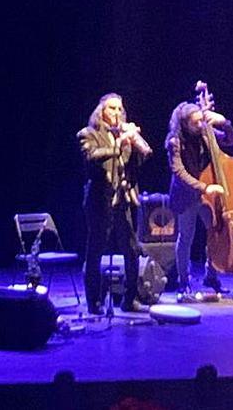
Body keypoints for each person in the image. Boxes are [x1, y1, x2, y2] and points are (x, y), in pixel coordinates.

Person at [77, 93, 152, 313]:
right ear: (101, 112)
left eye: (120, 109)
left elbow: (142, 157)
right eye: (112, 109)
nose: (117, 113)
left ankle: (129, 299)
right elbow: (91, 157)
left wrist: (136, 141)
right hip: (100, 199)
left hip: (124, 199)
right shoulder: (88, 134)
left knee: (131, 250)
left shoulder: (124, 133)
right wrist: (118, 145)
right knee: (96, 250)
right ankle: (95, 302)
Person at [166, 101, 233, 295]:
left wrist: (224, 123)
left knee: (215, 235)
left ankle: (211, 276)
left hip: (208, 197)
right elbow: (179, 172)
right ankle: (183, 280)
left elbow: (231, 141)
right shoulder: (175, 141)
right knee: (186, 238)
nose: (200, 125)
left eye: (201, 121)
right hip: (187, 196)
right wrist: (204, 187)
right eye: (195, 123)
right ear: (185, 124)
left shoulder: (206, 133)